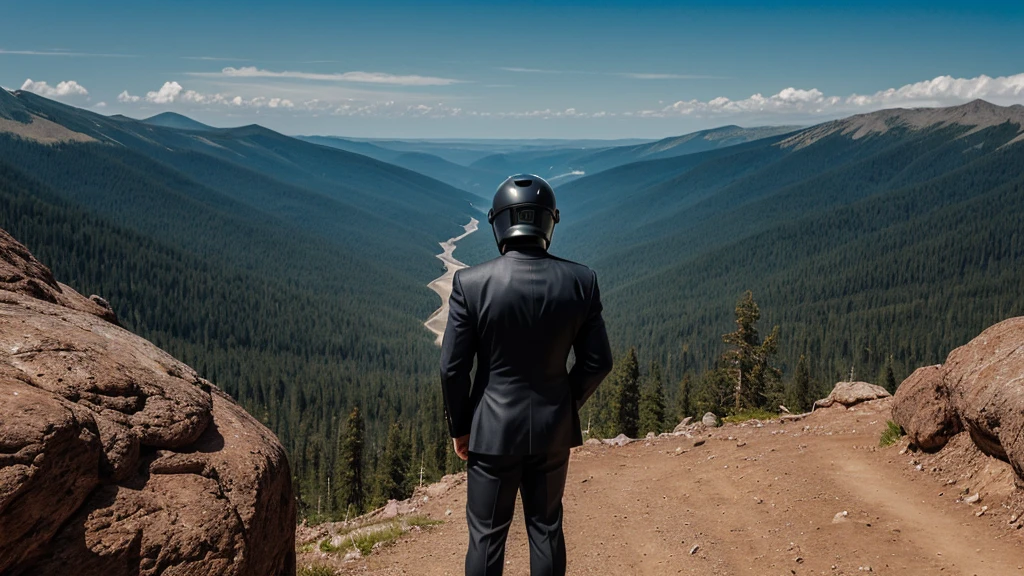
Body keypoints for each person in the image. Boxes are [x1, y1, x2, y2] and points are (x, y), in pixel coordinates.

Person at [440, 174, 613, 576]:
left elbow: (452, 367)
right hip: (553, 430)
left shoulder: (470, 283)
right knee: (546, 529)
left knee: (486, 536)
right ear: (549, 221)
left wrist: (461, 426)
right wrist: (564, 402)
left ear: (498, 221)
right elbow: (598, 362)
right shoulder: (582, 281)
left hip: (491, 433)